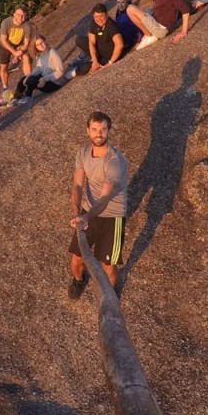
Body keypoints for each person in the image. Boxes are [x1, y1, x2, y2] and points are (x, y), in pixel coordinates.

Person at [68, 111, 128, 297]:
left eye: (103, 129)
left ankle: (109, 294)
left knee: (108, 266)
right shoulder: (83, 153)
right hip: (87, 211)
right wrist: (78, 213)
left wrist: (86, 217)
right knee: (76, 258)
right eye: (94, 129)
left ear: (108, 131)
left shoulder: (114, 161)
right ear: (88, 131)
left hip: (112, 215)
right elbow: (77, 185)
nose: (99, 133)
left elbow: (104, 199)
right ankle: (79, 280)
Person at [0, 6, 35, 95]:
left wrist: (19, 53)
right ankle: (5, 87)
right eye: (19, 15)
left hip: (18, 44)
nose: (21, 18)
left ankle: (29, 82)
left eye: (23, 15)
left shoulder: (27, 26)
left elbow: (26, 44)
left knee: (26, 58)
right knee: (3, 67)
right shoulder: (6, 22)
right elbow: (3, 40)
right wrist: (14, 53)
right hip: (4, 45)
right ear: (14, 15)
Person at [14, 35, 64, 101]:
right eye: (38, 45)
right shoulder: (40, 55)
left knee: (32, 80)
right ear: (36, 47)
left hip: (54, 83)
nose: (41, 46)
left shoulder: (53, 52)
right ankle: (16, 98)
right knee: (24, 79)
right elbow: (39, 68)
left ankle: (27, 96)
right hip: (44, 79)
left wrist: (45, 79)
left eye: (42, 42)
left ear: (45, 41)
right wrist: (29, 75)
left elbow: (60, 72)